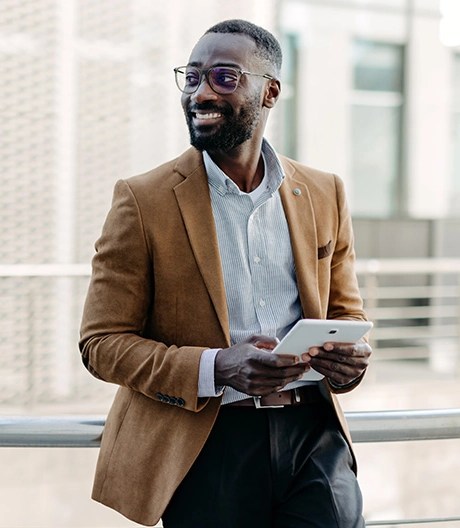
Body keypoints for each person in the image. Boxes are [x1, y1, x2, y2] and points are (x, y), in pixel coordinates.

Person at [79, 19, 372, 528]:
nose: (201, 93)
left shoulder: (326, 192)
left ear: (270, 92)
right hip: (205, 446)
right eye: (191, 78)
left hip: (313, 434)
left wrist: (352, 362)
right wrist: (217, 367)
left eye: (224, 77)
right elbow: (101, 343)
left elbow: (346, 314)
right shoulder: (143, 200)